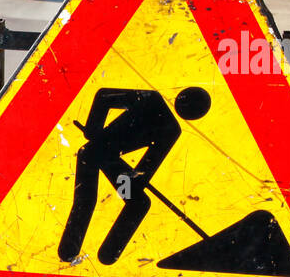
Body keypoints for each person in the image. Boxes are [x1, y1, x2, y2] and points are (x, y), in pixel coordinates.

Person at [58, 87, 211, 266]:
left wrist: (132, 180)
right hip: (92, 154)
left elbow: (148, 166)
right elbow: (103, 96)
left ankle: (107, 254)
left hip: (108, 160)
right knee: (88, 199)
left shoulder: (167, 124)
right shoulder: (153, 101)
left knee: (138, 203)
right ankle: (70, 249)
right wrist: (93, 128)